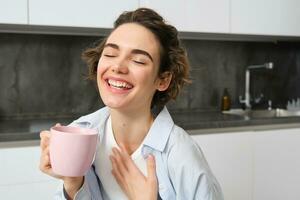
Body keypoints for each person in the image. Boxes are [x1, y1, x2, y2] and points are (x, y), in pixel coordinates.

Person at [39, 7, 224, 200]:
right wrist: (73, 185)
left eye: (138, 60)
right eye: (110, 54)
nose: (118, 67)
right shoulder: (81, 133)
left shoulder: (180, 154)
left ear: (163, 80)